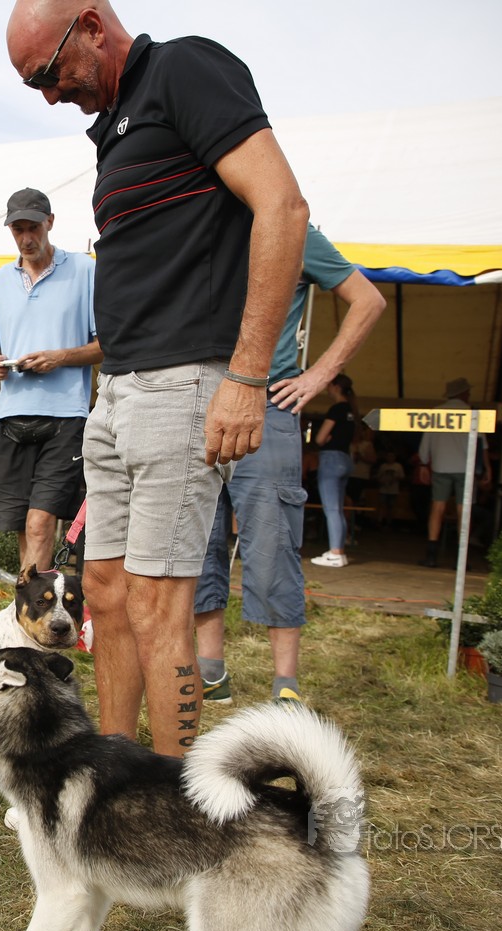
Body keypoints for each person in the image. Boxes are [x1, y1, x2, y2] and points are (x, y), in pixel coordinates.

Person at [7, 1, 309, 755]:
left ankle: (174, 797)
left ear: (91, 26)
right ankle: (114, 776)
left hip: (185, 383)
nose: (50, 95)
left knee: (157, 602)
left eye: (49, 74)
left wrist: (247, 377)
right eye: (34, 85)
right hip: (118, 390)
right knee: (106, 596)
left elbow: (282, 206)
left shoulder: (183, 68)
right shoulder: (116, 127)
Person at [194, 227, 385, 705]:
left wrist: (319, 375)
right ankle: (210, 673)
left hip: (268, 403)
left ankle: (286, 685)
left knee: (273, 543)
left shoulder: (292, 229)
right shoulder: (198, 218)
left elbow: (368, 300)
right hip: (197, 404)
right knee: (199, 542)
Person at [0, 187, 101, 570]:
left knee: (39, 523)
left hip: (66, 415)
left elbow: (108, 346)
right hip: (11, 415)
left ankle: (36, 602)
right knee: (21, 525)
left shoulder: (84, 270)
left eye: (33, 227)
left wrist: (59, 357)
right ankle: (31, 603)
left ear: (50, 222)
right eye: (18, 230)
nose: (26, 238)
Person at [417, 377, 488, 566]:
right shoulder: (471, 413)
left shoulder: (436, 413)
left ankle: (432, 555)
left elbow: (426, 442)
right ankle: (461, 558)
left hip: (441, 466)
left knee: (437, 508)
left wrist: (423, 464)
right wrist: (486, 469)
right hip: (466, 468)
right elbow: (481, 445)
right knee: (463, 511)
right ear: (463, 393)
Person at [311, 374, 359, 567]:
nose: (327, 389)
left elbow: (320, 438)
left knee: (331, 509)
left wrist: (326, 439)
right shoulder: (351, 410)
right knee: (338, 509)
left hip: (331, 459)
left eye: (329, 385)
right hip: (345, 459)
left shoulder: (337, 409)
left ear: (336, 387)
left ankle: (335, 553)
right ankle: (340, 551)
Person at [375, 448, 406, 529]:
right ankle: (380, 521)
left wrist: (395, 478)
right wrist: (382, 481)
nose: (390, 458)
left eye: (392, 456)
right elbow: (378, 476)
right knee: (382, 505)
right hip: (384, 489)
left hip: (393, 490)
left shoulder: (398, 466)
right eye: (388, 456)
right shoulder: (383, 466)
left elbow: (402, 477)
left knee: (391, 507)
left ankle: (389, 522)